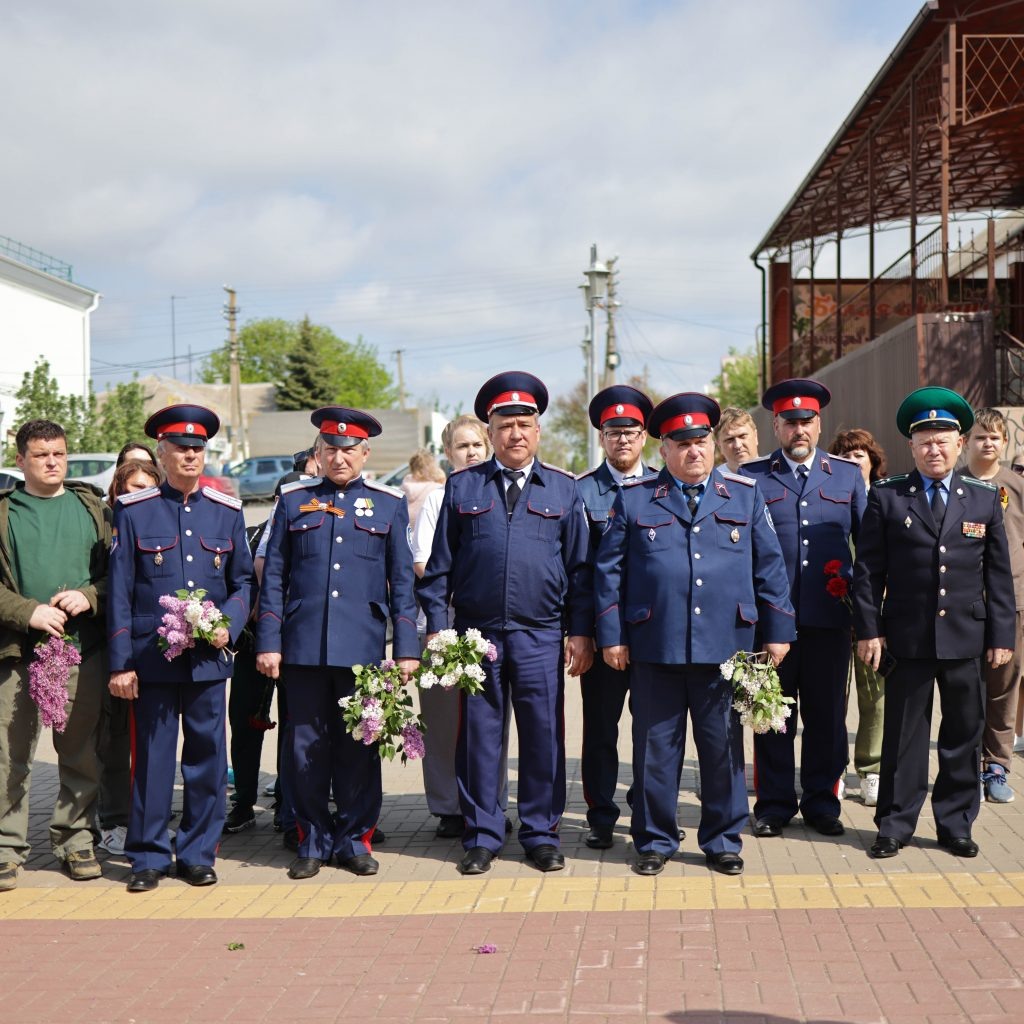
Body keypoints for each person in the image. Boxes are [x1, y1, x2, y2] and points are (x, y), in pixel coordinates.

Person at [595, 393, 794, 876]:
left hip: (726, 646)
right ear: (663, 450)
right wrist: (611, 635)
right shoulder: (635, 498)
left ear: (712, 444)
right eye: (682, 444)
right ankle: (654, 840)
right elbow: (608, 572)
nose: (694, 451)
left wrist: (778, 631)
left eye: (701, 441)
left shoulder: (744, 495)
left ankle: (723, 839)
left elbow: (770, 567)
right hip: (655, 645)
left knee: (723, 750)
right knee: (655, 751)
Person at [417, 371, 594, 875]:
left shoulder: (563, 488)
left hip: (541, 634)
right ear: (491, 433)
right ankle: (482, 834)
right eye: (505, 426)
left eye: (524, 424)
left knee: (543, 737)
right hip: (477, 636)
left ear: (538, 430)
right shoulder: (462, 486)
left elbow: (581, 570)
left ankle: (541, 833)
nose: (515, 434)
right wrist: (438, 627)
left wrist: (580, 631)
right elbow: (438, 568)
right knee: (479, 739)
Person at [256, 407, 419, 879]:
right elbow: (274, 578)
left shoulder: (388, 504)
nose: (339, 457)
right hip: (303, 646)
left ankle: (354, 841)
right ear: (319, 453)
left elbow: (402, 582)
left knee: (359, 746)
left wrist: (406, 649)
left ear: (365, 453)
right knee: (304, 747)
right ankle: (311, 840)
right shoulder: (293, 501)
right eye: (330, 449)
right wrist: (269, 641)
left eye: (349, 450)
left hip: (363, 649)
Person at [853, 387, 1015, 859]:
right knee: (903, 737)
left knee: (963, 735)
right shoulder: (888, 497)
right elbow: (868, 571)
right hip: (907, 637)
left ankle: (956, 824)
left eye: (943, 440)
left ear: (959, 444)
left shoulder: (983, 499)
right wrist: (869, 629)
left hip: (967, 637)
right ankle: (894, 825)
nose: (934, 449)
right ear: (911, 446)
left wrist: (1002, 635)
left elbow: (998, 575)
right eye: (924, 441)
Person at [108, 404, 255, 892]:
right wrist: (121, 664)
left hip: (207, 660)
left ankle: (197, 853)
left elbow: (242, 583)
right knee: (152, 761)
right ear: (161, 452)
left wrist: (228, 624)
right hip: (152, 659)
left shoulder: (226, 511)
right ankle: (148, 856)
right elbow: (120, 592)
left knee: (207, 761)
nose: (190, 456)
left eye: (197, 448)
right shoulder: (135, 511)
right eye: (180, 447)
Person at [741, 379, 866, 839]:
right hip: (767, 624)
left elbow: (868, 549)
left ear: (819, 424)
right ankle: (773, 805)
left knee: (827, 719)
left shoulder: (846, 476)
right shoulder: (752, 477)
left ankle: (822, 803)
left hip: (829, 622)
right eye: (790, 421)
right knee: (770, 717)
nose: (799, 429)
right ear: (775, 426)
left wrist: (865, 614)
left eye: (806, 421)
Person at [0, 419, 111, 891]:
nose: (52, 462)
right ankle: (6, 848)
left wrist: (90, 595)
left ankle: (76, 840)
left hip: (82, 651)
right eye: (41, 454)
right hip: (18, 653)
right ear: (20, 459)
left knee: (81, 753)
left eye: (59, 454)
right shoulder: (5, 512)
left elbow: (120, 575)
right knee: (9, 756)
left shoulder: (94, 509)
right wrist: (28, 612)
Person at [411, 414, 513, 840]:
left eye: (476, 445)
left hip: (486, 626)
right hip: (442, 625)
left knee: (490, 722)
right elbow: (423, 563)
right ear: (447, 453)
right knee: (442, 722)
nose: (470, 453)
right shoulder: (438, 498)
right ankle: (448, 807)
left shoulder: (499, 490)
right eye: (461, 446)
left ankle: (492, 803)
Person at [575, 385, 656, 850]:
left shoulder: (664, 484)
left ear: (644, 436)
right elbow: (578, 571)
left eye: (630, 431)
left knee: (653, 731)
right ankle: (601, 815)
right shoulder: (582, 490)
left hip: (653, 633)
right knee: (601, 730)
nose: (622, 439)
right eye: (613, 432)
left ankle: (649, 810)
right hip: (603, 632)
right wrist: (582, 633)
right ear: (601, 437)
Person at [96, 458, 164, 856]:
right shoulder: (106, 526)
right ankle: (112, 819)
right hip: (111, 649)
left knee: (146, 743)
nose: (141, 494)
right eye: (133, 487)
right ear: (117, 490)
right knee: (112, 740)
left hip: (149, 652)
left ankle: (143, 821)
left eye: (148, 485)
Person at [963, 408, 1024, 803]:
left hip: (1012, 600)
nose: (988, 443)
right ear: (966, 442)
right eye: (980, 436)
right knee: (966, 688)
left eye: (995, 437)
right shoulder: (956, 483)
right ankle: (965, 765)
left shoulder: (1015, 485)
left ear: (1004, 443)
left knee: (1004, 688)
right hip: (964, 603)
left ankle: (997, 765)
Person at [828, 427, 888, 807]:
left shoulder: (886, 496)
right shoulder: (831, 497)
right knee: (834, 695)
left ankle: (871, 769)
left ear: (872, 459)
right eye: (845, 455)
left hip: (874, 613)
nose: (852, 461)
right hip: (835, 609)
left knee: (874, 694)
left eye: (859, 454)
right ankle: (834, 769)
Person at [401, 449, 446, 530]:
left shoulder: (404, 485)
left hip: (406, 533)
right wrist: (442, 480)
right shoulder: (436, 489)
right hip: (428, 534)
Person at [714, 407, 760, 473]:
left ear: (755, 436)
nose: (738, 445)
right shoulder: (715, 478)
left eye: (742, 436)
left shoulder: (775, 473)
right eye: (730, 439)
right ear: (719, 446)